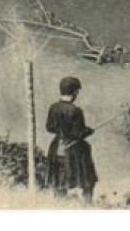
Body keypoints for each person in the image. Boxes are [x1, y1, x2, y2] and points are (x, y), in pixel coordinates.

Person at [45, 76, 98, 204]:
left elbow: (49, 127)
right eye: (77, 91)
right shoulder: (76, 111)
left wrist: (62, 131)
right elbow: (78, 133)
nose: (77, 94)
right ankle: (88, 206)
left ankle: (59, 205)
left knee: (59, 182)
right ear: (74, 92)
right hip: (73, 152)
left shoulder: (53, 107)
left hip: (56, 149)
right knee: (87, 182)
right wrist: (88, 131)